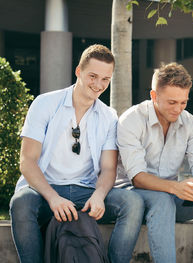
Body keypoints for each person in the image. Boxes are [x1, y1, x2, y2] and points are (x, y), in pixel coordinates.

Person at [9, 44, 144, 263]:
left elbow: (109, 168)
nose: (98, 85)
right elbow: (27, 161)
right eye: (93, 76)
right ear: (78, 72)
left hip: (86, 192)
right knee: (21, 202)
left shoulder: (109, 116)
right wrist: (53, 198)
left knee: (133, 203)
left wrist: (99, 196)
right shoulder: (44, 104)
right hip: (46, 190)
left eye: (105, 79)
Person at [115, 62, 193, 263]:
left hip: (172, 196)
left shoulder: (188, 122)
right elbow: (137, 178)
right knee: (163, 200)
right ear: (154, 96)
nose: (178, 109)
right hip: (133, 195)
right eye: (172, 102)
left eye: (183, 102)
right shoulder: (131, 120)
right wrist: (175, 187)